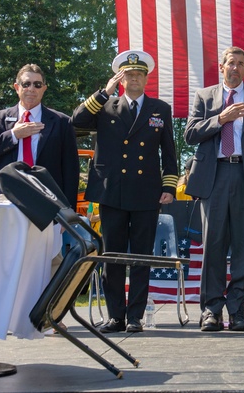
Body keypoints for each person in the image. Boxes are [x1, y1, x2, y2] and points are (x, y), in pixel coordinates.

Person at [72, 50, 178, 334]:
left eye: (138, 75)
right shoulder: (105, 105)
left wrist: (169, 186)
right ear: (120, 79)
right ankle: (116, 316)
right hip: (112, 190)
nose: (133, 79)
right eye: (128, 75)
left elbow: (169, 152)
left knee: (141, 257)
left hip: (146, 192)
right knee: (113, 257)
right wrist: (102, 93)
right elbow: (77, 121)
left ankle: (135, 317)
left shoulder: (159, 108)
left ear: (146, 79)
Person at [185, 46, 244, 333]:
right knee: (213, 246)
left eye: (241, 64)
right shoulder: (204, 96)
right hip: (213, 177)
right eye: (230, 63)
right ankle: (211, 310)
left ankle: (237, 310)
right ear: (221, 67)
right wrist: (222, 118)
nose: (235, 68)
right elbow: (190, 134)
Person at [0, 64, 79, 207]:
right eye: (26, 84)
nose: (31, 89)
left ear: (44, 88)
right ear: (17, 87)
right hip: (5, 200)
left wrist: (69, 210)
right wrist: (13, 135)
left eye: (37, 85)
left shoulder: (61, 122)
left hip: (47, 204)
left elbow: (71, 170)